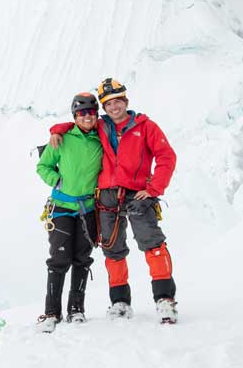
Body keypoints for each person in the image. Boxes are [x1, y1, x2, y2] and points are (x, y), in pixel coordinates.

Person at [49, 78, 178, 324]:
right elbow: (77, 124)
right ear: (104, 108)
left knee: (152, 242)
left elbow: (166, 156)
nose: (114, 107)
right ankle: (119, 302)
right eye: (108, 103)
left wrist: (153, 189)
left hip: (138, 193)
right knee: (112, 248)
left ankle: (165, 300)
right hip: (107, 195)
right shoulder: (100, 125)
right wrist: (56, 129)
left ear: (126, 102)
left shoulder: (146, 126)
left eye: (118, 101)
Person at [36, 92, 103, 333]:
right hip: (62, 207)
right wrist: (56, 181)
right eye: (82, 113)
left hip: (88, 208)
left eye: (91, 112)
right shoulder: (61, 139)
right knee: (59, 260)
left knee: (82, 259)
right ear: (75, 116)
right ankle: (52, 312)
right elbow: (43, 165)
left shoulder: (101, 139)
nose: (87, 117)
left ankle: (77, 309)